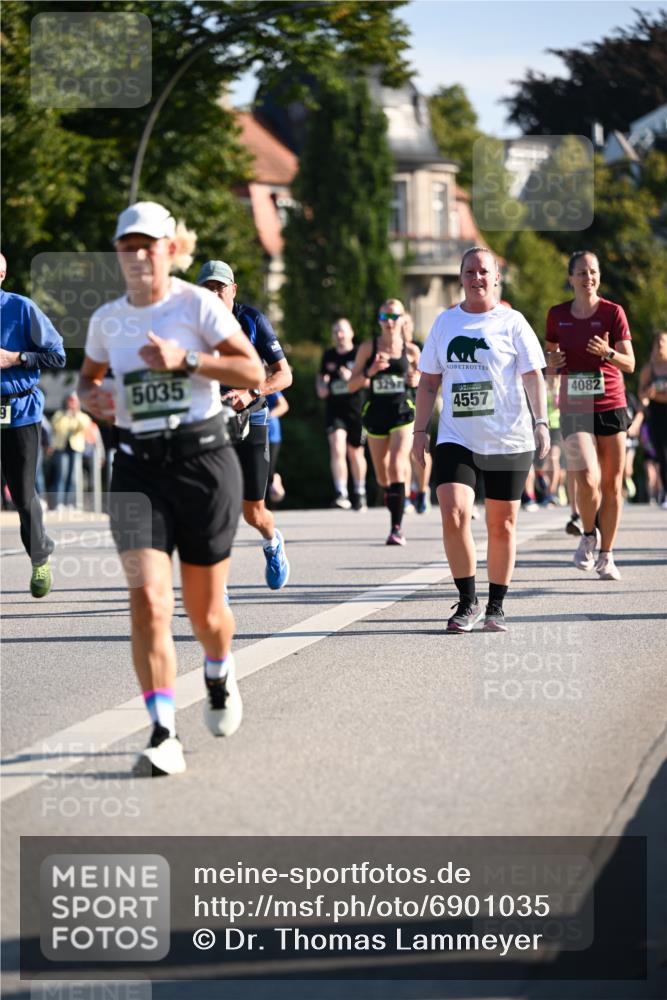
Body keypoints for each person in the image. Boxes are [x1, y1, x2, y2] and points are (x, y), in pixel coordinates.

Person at [78, 201, 264, 777]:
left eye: (147, 246)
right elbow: (89, 382)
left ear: (171, 250)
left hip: (203, 462)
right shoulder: (109, 318)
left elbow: (252, 372)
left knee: (206, 614)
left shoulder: (198, 304)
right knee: (151, 603)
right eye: (126, 248)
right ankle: (162, 732)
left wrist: (188, 360)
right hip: (137, 470)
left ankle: (217, 667)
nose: (137, 257)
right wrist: (93, 402)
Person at [413, 246, 549, 632]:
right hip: (457, 436)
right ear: (461, 277)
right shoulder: (445, 323)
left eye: (483, 272)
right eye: (469, 271)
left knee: (501, 525)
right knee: (453, 510)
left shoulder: (513, 323)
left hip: (508, 439)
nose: (476, 278)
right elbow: (428, 382)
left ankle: (496, 605)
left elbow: (533, 376)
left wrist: (541, 422)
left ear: (496, 277)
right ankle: (467, 600)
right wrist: (420, 431)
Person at [196, 261, 291, 589]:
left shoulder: (252, 320)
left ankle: (272, 541)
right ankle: (217, 589)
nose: (214, 294)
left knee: (254, 513)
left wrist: (251, 391)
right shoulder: (192, 327)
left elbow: (284, 374)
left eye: (219, 288)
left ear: (233, 290)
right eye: (207, 288)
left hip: (252, 419)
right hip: (211, 424)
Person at [546, 251, 635, 580]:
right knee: (586, 477)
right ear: (570, 278)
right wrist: (550, 364)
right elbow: (551, 359)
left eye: (593, 272)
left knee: (612, 485)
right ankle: (587, 534)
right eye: (581, 272)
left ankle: (607, 554)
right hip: (574, 405)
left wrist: (608, 353)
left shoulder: (614, 312)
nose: (588, 278)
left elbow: (630, 363)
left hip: (611, 403)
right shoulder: (557, 315)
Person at [0, 251, 66, 597]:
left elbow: (58, 355)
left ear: (2, 274)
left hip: (20, 411)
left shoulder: (21, 308)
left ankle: (39, 557)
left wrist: (16, 358)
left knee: (23, 496)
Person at [348, 299, 420, 544]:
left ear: (402, 320)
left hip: (403, 413)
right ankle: (396, 501)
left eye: (394, 317)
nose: (389, 322)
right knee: (382, 476)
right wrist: (370, 372)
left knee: (397, 464)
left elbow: (426, 380)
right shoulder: (369, 348)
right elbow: (351, 384)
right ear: (379, 320)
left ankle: (396, 528)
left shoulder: (411, 351)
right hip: (376, 414)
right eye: (384, 317)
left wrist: (416, 379)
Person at [316, 318, 368, 510]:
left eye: (342, 331)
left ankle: (359, 491)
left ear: (351, 333)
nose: (339, 335)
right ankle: (341, 492)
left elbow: (370, 381)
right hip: (334, 410)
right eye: (336, 331)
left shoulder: (359, 354)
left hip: (356, 410)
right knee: (337, 447)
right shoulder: (328, 355)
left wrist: (353, 378)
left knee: (355, 453)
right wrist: (322, 387)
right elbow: (320, 379)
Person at [402, 311, 431, 514]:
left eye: (406, 324)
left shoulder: (420, 346)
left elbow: (431, 375)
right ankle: (405, 497)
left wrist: (417, 376)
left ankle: (421, 490)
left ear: (411, 326)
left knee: (420, 451)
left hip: (420, 402)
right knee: (402, 452)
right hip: (400, 404)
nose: (402, 327)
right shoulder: (388, 349)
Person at [639, 330, 667, 508]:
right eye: (658, 343)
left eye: (664, 342)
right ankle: (665, 493)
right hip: (656, 414)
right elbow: (642, 394)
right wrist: (648, 394)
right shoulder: (649, 369)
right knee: (662, 456)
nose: (661, 346)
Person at [50, 391, 93, 509]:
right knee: (61, 475)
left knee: (73, 477)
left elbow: (84, 426)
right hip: (61, 448)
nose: (72, 403)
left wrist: (76, 414)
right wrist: (67, 415)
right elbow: (57, 427)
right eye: (70, 401)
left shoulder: (82, 416)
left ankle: (70, 503)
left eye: (74, 401)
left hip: (76, 448)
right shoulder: (60, 414)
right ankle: (58, 503)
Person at [265, 390, 288, 504]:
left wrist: (267, 417)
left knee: (266, 469)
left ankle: (274, 479)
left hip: (271, 435)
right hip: (252, 434)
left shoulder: (269, 387)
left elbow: (283, 406)